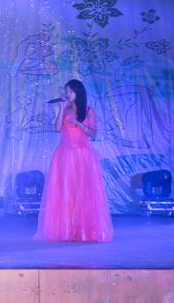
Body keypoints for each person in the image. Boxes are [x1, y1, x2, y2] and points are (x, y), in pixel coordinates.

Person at [34, 79, 113, 242]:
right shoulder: (66, 108)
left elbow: (93, 134)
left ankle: (84, 230)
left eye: (70, 91)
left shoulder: (88, 110)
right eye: (66, 91)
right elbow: (57, 128)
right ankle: (66, 229)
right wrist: (61, 109)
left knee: (83, 191)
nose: (68, 94)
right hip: (64, 154)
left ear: (78, 92)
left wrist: (78, 123)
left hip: (83, 155)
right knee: (65, 191)